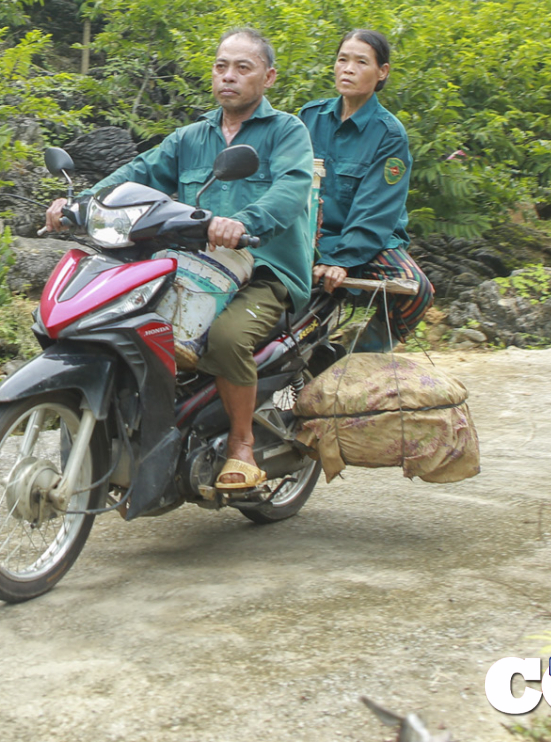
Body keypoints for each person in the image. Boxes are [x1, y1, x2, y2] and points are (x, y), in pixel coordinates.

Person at [46, 27, 314, 492]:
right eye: (221, 66)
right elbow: (138, 172)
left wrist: (244, 222)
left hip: (265, 271)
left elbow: (290, 190)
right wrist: (80, 202)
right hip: (196, 266)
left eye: (242, 68)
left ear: (268, 77)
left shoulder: (286, 132)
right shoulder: (192, 137)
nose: (228, 76)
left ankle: (242, 448)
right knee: (123, 315)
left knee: (226, 340)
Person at [298, 28, 434, 351]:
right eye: (342, 59)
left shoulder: (389, 134)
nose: (348, 68)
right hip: (312, 237)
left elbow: (375, 211)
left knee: (418, 289)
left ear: (382, 72)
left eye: (361, 62)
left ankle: (360, 354)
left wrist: (341, 259)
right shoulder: (309, 117)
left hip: (370, 241)